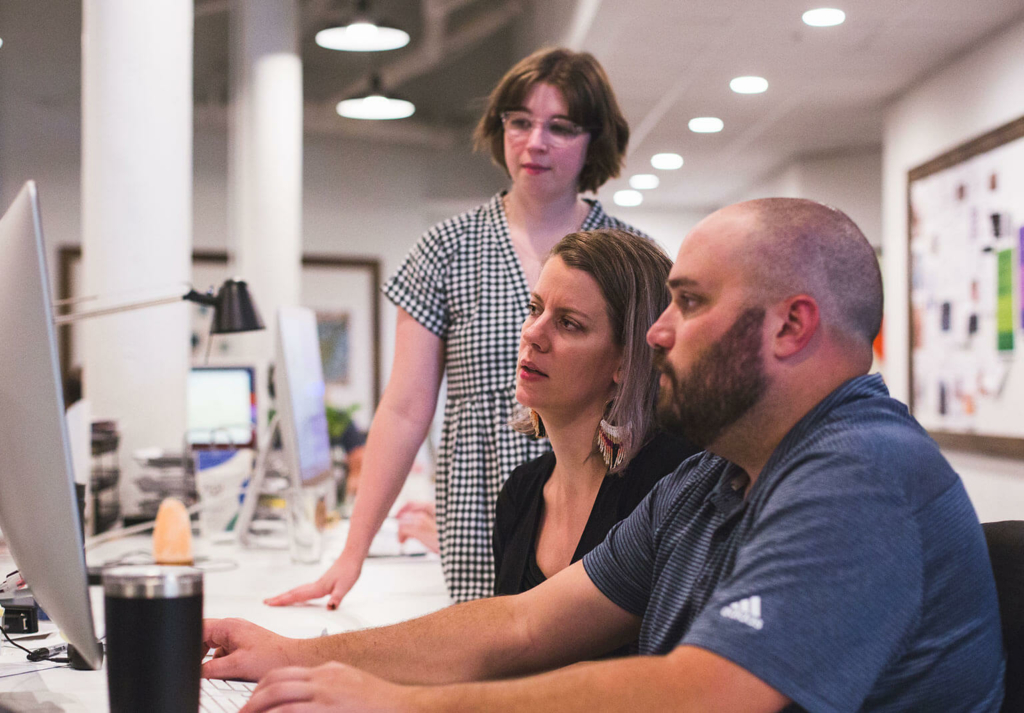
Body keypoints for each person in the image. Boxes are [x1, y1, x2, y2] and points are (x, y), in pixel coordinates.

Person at [204, 198, 1005, 712]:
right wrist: (298, 654)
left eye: (688, 304)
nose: (657, 332)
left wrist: (398, 703)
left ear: (791, 327)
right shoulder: (713, 478)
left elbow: (704, 693)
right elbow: (519, 625)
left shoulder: (862, 472)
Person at [267, 48, 642, 607]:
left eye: (560, 127)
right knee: (482, 659)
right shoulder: (447, 248)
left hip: (598, 498)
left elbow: (648, 397)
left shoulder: (628, 257)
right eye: (520, 121)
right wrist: (353, 551)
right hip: (480, 500)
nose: (534, 141)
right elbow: (404, 406)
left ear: (594, 139)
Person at [493, 229, 696, 598]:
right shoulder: (520, 493)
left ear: (626, 360)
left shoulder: (669, 482)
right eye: (535, 309)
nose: (533, 334)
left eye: (568, 323)